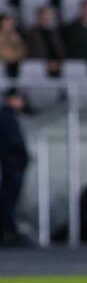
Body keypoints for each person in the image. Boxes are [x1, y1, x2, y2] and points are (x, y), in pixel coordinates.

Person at [0, 89, 28, 245]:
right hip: (12, 165)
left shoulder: (9, 117)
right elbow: (13, 142)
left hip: (12, 164)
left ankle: (8, 229)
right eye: (20, 99)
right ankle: (7, 231)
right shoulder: (7, 117)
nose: (22, 103)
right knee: (8, 199)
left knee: (9, 198)